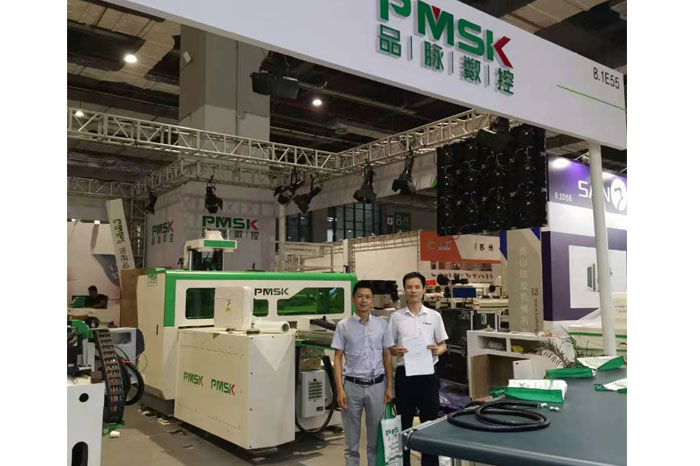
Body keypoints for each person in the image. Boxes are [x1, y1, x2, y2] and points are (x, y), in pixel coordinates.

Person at [388, 272, 448, 466]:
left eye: (416, 287)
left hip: (428, 376)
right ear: (404, 290)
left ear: (423, 289)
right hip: (405, 377)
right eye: (409, 287)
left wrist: (437, 350)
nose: (413, 291)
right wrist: (395, 351)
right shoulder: (396, 317)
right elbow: (389, 347)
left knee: (429, 424)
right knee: (404, 425)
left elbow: (443, 345)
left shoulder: (434, 316)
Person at [332, 281, 394, 466]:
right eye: (360, 297)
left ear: (372, 300)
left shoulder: (382, 325)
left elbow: (387, 356)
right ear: (353, 299)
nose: (364, 300)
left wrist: (389, 387)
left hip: (377, 387)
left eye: (367, 297)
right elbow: (337, 358)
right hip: (352, 387)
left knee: (375, 442)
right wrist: (340, 390)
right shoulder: (343, 326)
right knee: (351, 444)